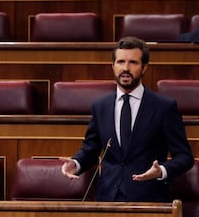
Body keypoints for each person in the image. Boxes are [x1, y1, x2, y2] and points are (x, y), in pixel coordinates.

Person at [61, 36, 194, 202]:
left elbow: (184, 157)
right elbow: (91, 149)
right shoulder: (100, 106)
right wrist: (76, 163)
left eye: (133, 62)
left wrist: (162, 170)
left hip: (149, 200)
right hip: (108, 199)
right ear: (113, 65)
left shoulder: (164, 107)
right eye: (121, 62)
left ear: (144, 67)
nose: (126, 68)